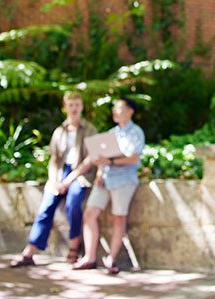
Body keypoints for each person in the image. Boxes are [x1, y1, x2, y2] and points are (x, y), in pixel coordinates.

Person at [10, 91, 97, 267]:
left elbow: (90, 160)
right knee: (46, 207)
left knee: (74, 203)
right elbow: (54, 159)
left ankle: (74, 247)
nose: (74, 109)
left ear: (82, 107)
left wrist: (69, 180)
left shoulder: (90, 130)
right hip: (60, 173)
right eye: (71, 105)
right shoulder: (59, 131)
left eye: (77, 105)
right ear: (65, 108)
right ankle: (30, 251)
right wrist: (55, 180)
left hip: (80, 174)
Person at [64, 96, 145, 274]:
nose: (115, 112)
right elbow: (101, 158)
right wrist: (100, 172)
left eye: (119, 108)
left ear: (130, 111)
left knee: (119, 218)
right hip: (105, 179)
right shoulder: (111, 133)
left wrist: (111, 161)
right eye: (115, 108)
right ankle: (90, 257)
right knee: (90, 214)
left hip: (123, 180)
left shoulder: (136, 132)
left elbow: (134, 157)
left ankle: (111, 259)